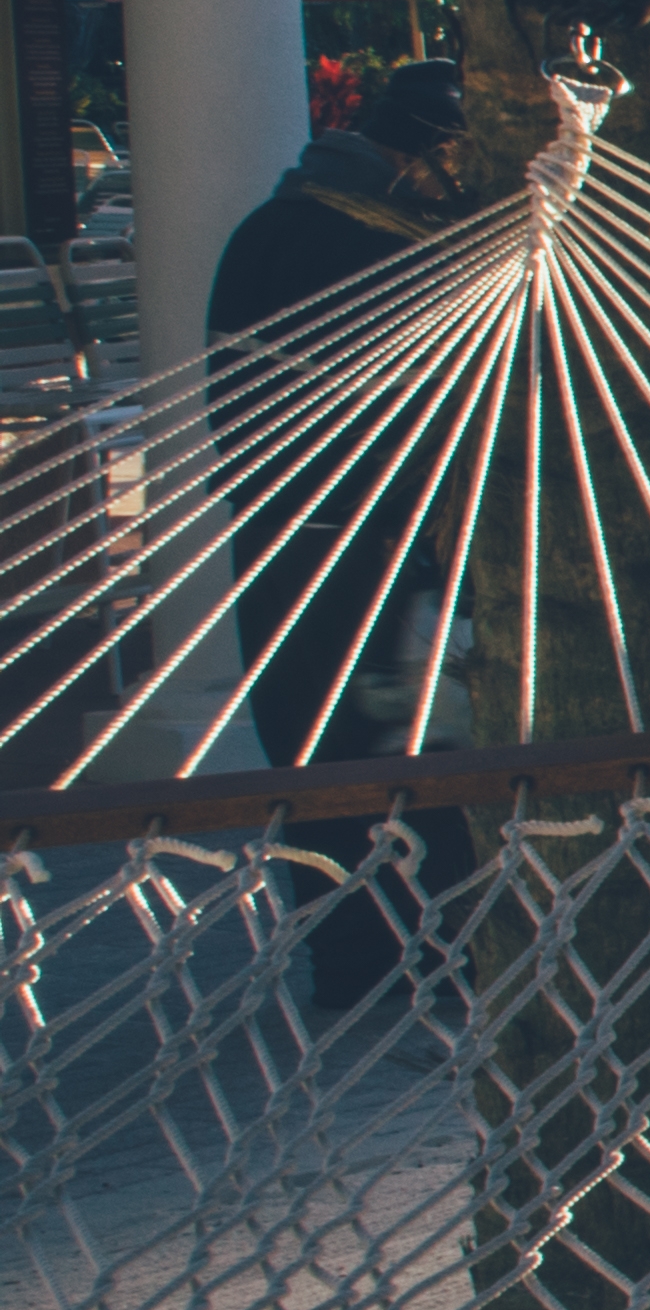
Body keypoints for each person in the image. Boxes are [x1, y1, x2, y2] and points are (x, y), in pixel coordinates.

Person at [208, 54, 474, 1007]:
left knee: (323, 749)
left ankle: (355, 963)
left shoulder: (273, 225)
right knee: (403, 750)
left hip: (290, 534)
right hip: (377, 538)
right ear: (435, 157)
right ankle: (420, 957)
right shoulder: (391, 246)